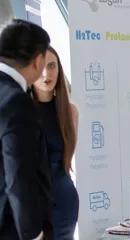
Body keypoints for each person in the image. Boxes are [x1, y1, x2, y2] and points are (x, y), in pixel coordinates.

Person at [0, 19, 53, 240]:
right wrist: (33, 234)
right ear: (37, 60)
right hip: (12, 227)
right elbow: (19, 177)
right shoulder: (16, 102)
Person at [29, 46, 79, 240]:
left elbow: (67, 159)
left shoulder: (70, 112)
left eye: (51, 66)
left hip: (65, 201)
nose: (46, 73)